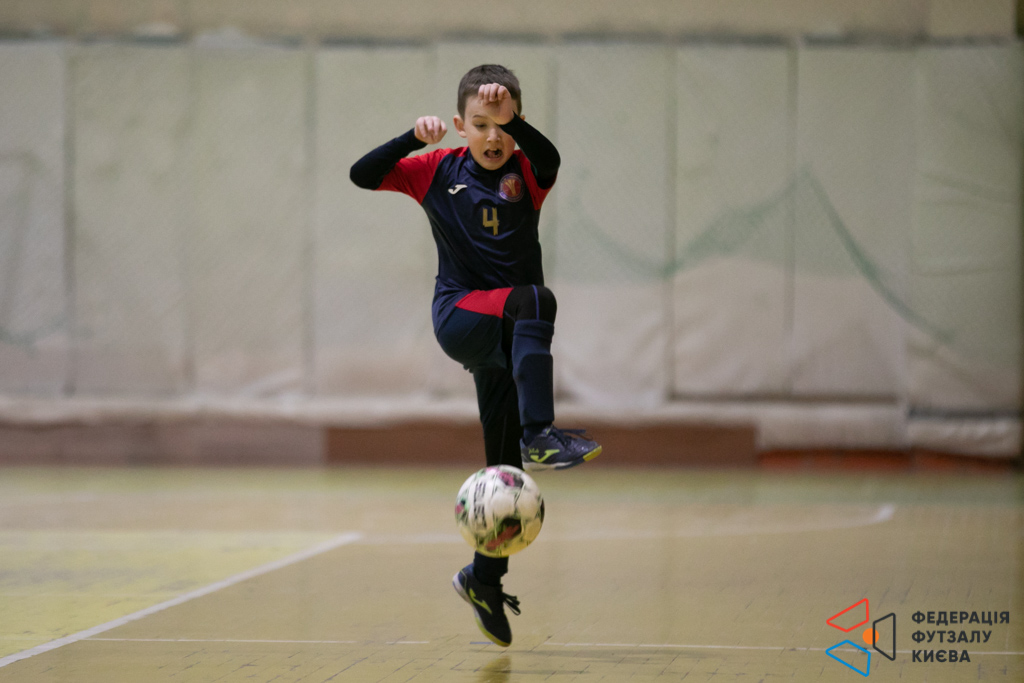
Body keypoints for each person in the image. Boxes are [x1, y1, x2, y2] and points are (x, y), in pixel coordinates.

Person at [350, 64, 601, 647]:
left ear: (517, 126)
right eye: (481, 124)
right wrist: (412, 138)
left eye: (503, 125)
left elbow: (550, 158)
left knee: (505, 474)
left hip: (506, 338)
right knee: (535, 298)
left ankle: (483, 580)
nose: (493, 136)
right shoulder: (437, 169)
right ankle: (542, 433)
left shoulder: (528, 172)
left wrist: (519, 123)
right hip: (462, 316)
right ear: (460, 126)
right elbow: (363, 174)